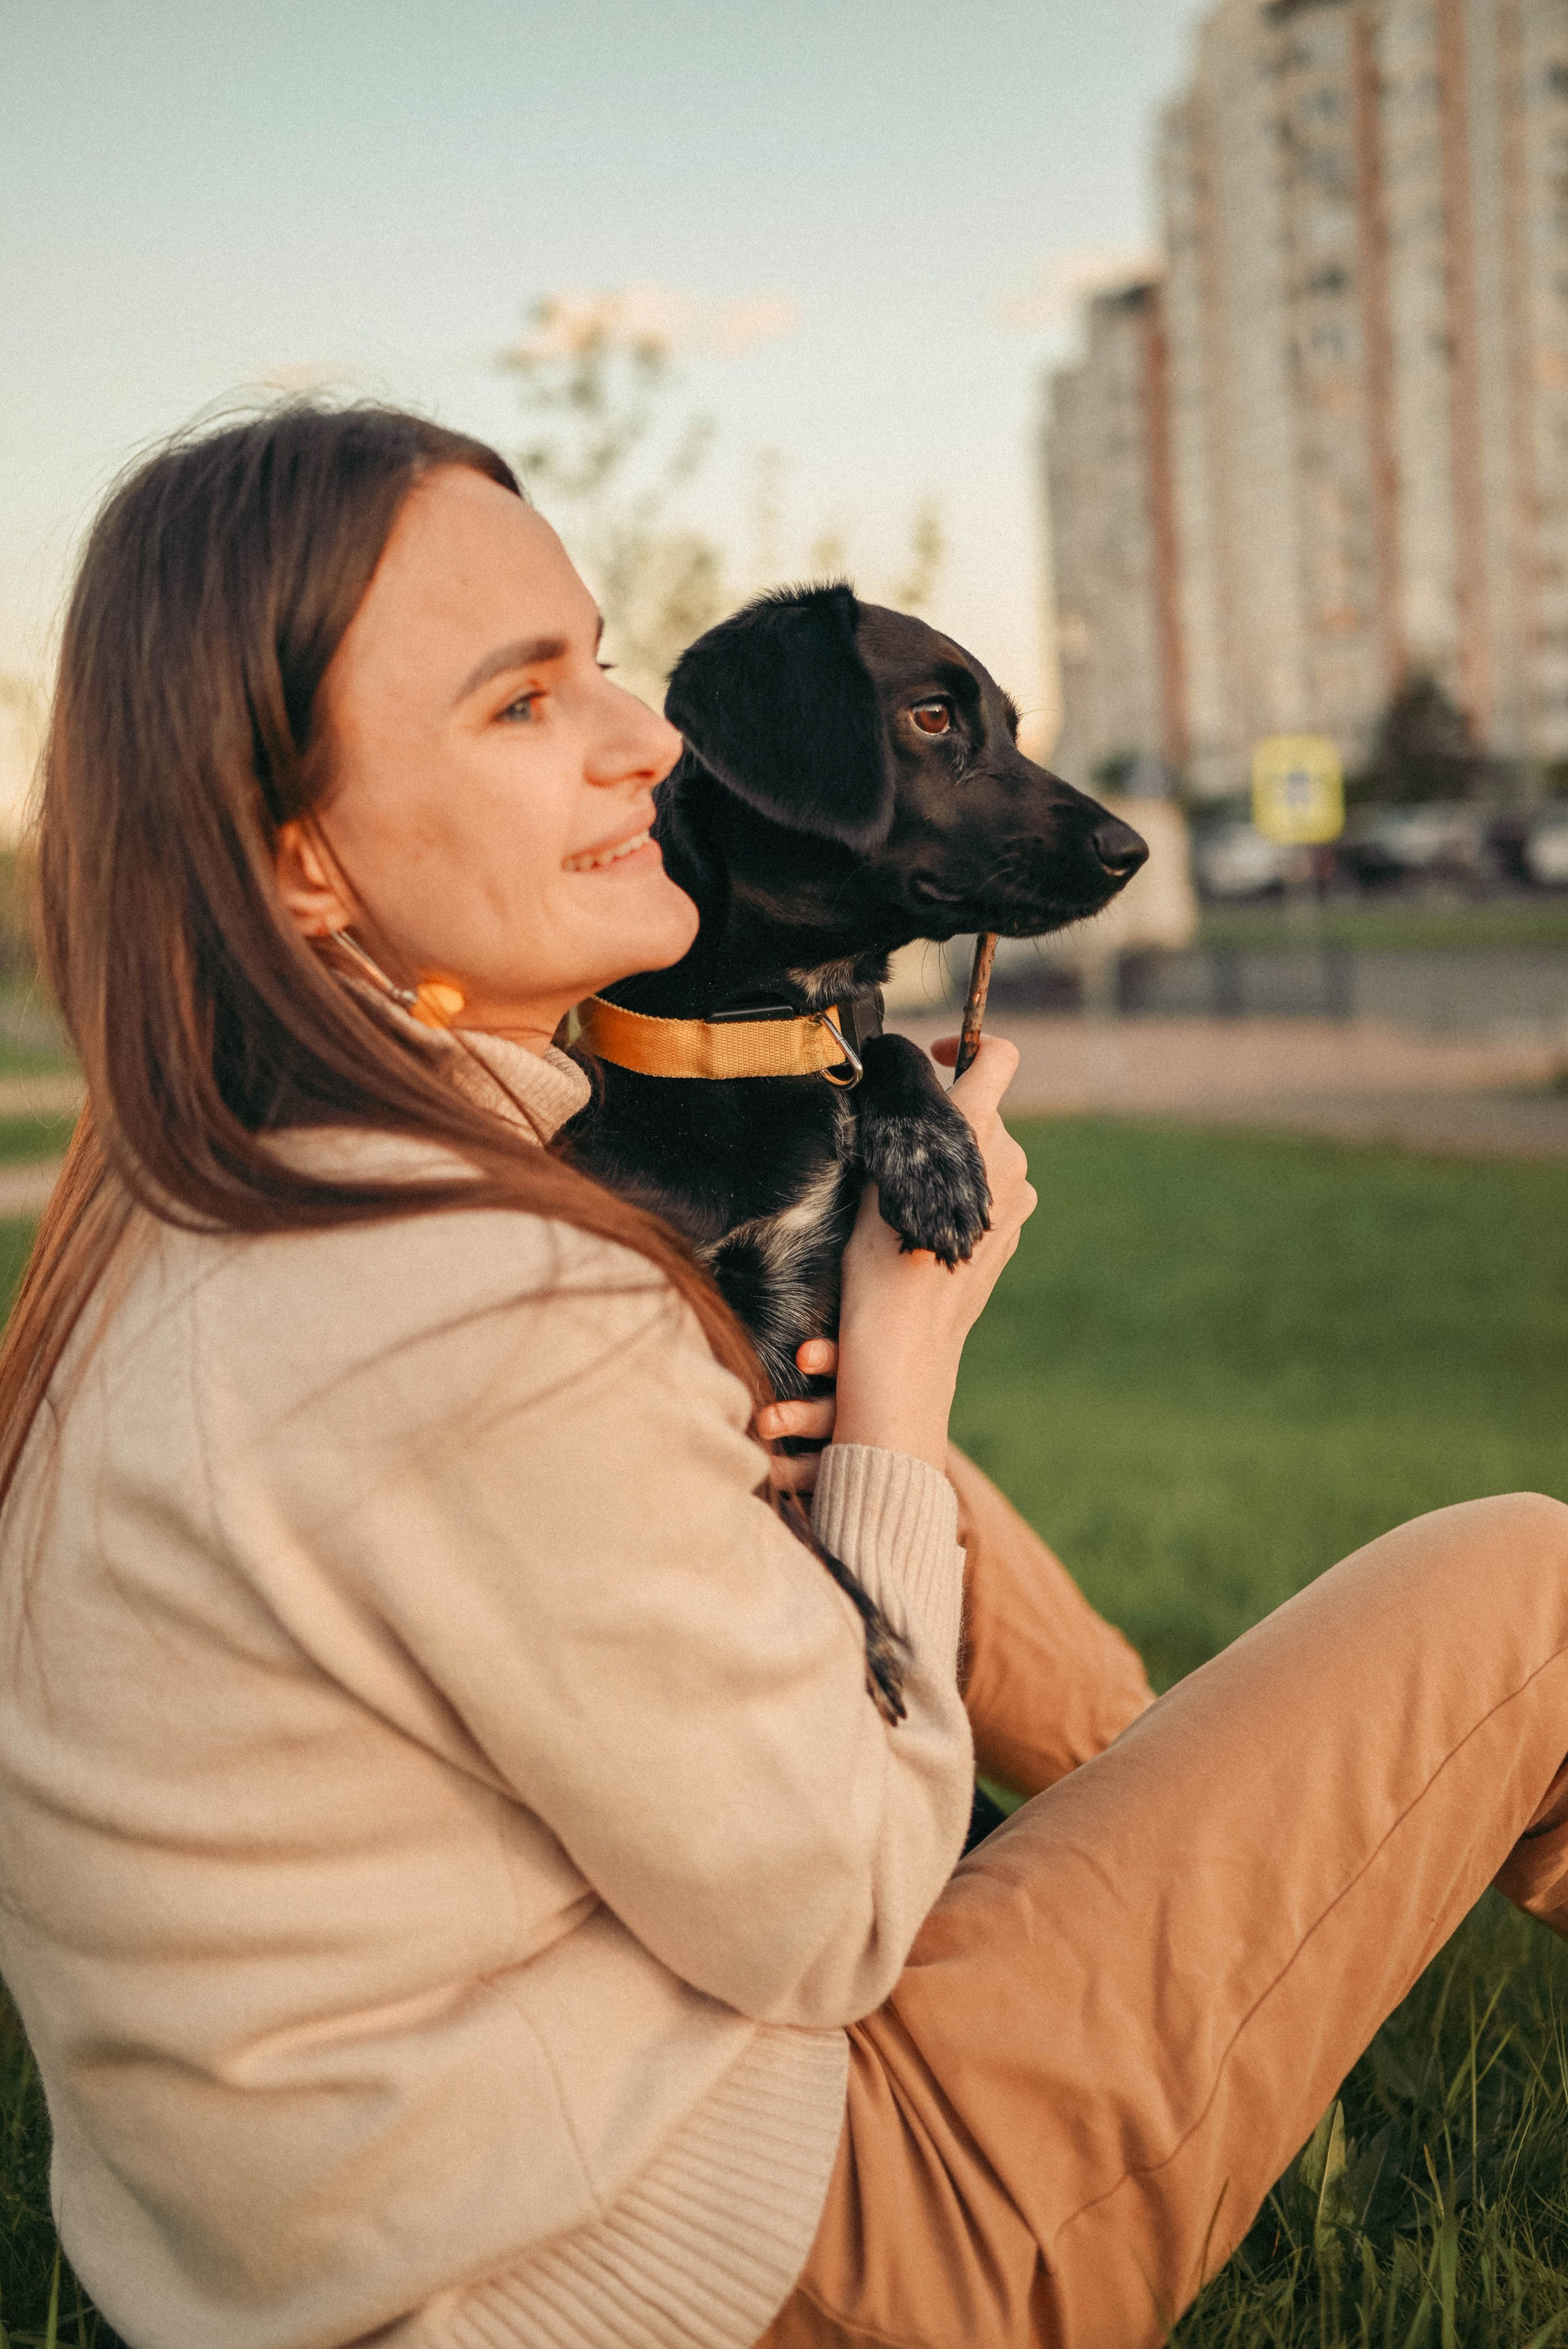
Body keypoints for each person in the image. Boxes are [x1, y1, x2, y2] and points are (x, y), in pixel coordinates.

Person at [0, 405, 1564, 2349]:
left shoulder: (195, 1194)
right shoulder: (468, 1295)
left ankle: (1237, 1847)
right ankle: (1298, 1877)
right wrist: (901, 1379)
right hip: (726, 2257)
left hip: (367, 2236)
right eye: (523, 702)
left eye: (599, 660)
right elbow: (834, 1916)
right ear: (301, 861)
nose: (649, 737)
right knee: (1534, 1582)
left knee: (919, 1510)